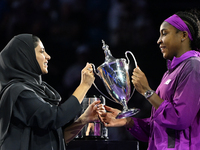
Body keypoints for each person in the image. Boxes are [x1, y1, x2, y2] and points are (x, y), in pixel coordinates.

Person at [98, 9, 200, 150]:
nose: (158, 41)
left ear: (183, 35)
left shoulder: (193, 65)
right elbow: (157, 130)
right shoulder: (169, 73)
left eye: (164, 33)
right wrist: (128, 122)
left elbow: (180, 119)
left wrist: (147, 92)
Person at [0, 34, 100, 150]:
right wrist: (84, 85)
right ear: (26, 56)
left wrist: (83, 120)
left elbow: (58, 139)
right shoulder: (18, 92)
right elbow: (56, 117)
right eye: (42, 52)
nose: (48, 56)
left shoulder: (38, 91)